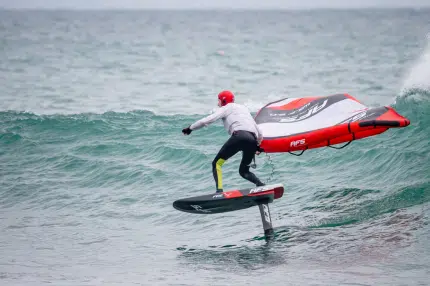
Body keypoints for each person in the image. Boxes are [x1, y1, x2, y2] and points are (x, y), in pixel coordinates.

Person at [182, 90, 265, 193]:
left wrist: (190, 128)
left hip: (239, 137)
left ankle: (219, 192)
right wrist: (257, 145)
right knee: (244, 171)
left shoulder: (227, 107)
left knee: (216, 164)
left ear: (223, 101)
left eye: (219, 101)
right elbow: (259, 132)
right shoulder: (243, 109)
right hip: (252, 140)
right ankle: (261, 185)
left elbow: (206, 120)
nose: (218, 104)